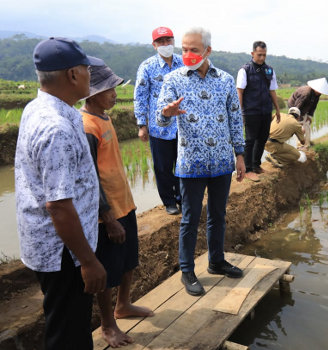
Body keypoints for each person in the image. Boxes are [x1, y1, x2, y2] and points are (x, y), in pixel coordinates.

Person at [15, 37, 106, 350]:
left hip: (53, 246)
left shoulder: (40, 107)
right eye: (86, 69)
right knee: (69, 334)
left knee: (68, 323)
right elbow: (59, 206)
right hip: (63, 253)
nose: (90, 76)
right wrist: (89, 262)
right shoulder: (56, 127)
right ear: (72, 75)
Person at [157, 27, 246, 296]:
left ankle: (216, 262)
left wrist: (240, 155)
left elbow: (235, 118)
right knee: (190, 219)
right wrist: (167, 112)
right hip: (190, 163)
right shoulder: (173, 80)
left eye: (193, 49)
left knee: (218, 216)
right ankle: (187, 270)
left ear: (207, 50)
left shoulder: (226, 81)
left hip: (221, 162)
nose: (187, 54)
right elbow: (161, 118)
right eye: (183, 49)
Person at [81, 64, 154, 348]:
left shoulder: (104, 117)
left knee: (128, 260)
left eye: (113, 88)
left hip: (125, 203)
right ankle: (107, 323)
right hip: (108, 212)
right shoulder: (87, 126)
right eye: (108, 90)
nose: (114, 94)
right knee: (109, 269)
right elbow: (89, 177)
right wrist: (107, 216)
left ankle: (123, 305)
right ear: (92, 93)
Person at [134, 27, 184, 215]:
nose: (165, 45)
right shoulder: (147, 66)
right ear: (154, 45)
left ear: (173, 41)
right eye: (161, 42)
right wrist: (142, 125)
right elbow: (140, 96)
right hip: (158, 127)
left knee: (182, 163)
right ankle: (169, 201)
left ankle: (182, 198)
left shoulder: (183, 63)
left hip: (182, 125)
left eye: (168, 40)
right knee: (163, 167)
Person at [236, 41, 281, 182]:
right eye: (259, 55)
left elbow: (272, 90)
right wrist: (240, 112)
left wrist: (277, 109)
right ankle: (248, 169)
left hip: (265, 110)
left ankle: (256, 165)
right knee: (250, 140)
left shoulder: (269, 70)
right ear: (252, 53)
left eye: (264, 55)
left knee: (262, 138)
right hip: (250, 111)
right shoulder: (245, 70)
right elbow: (240, 92)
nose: (262, 58)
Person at [287, 77, 328, 147]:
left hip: (304, 108)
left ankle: (307, 144)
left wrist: (309, 116)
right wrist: (299, 120)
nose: (321, 93)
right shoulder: (306, 93)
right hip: (295, 108)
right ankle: (300, 145)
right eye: (320, 91)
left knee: (307, 125)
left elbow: (314, 105)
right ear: (315, 88)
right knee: (300, 128)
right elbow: (297, 108)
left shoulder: (317, 94)